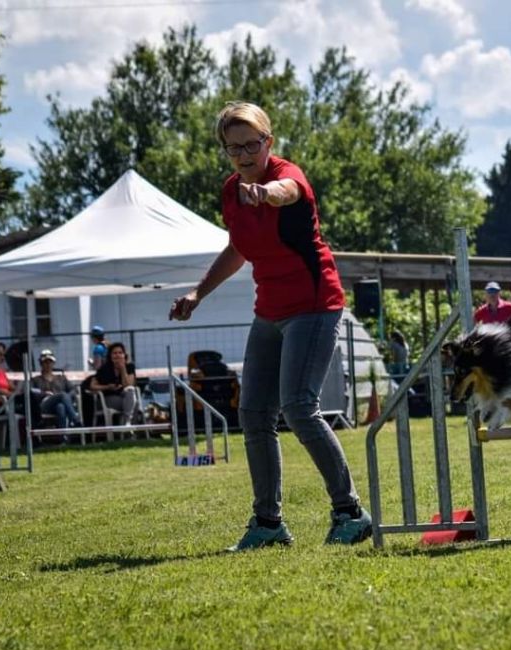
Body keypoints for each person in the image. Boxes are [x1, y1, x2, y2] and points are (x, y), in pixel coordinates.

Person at [169, 101, 370, 550]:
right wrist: (198, 294)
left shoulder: (287, 174)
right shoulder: (229, 192)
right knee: (254, 413)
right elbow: (238, 249)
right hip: (270, 310)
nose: (243, 154)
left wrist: (266, 193)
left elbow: (288, 192)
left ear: (269, 141)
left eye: (251, 144)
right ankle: (268, 523)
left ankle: (350, 512)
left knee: (299, 408)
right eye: (233, 147)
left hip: (315, 305)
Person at [31, 349, 83, 439]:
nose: (48, 364)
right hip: (44, 405)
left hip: (61, 404)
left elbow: (74, 390)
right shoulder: (35, 379)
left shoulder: (61, 378)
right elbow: (32, 391)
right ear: (41, 363)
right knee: (62, 394)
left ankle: (63, 437)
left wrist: (67, 397)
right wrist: (44, 393)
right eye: (45, 362)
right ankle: (75, 420)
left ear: (53, 363)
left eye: (50, 362)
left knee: (61, 406)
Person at [91, 342, 141, 425]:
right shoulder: (104, 369)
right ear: (110, 356)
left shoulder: (130, 367)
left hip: (125, 396)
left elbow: (128, 385)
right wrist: (107, 387)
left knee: (130, 392)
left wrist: (123, 369)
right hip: (108, 398)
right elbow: (92, 385)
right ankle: (129, 430)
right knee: (134, 404)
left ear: (124, 355)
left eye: (120, 353)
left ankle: (126, 425)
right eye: (114, 353)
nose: (117, 355)